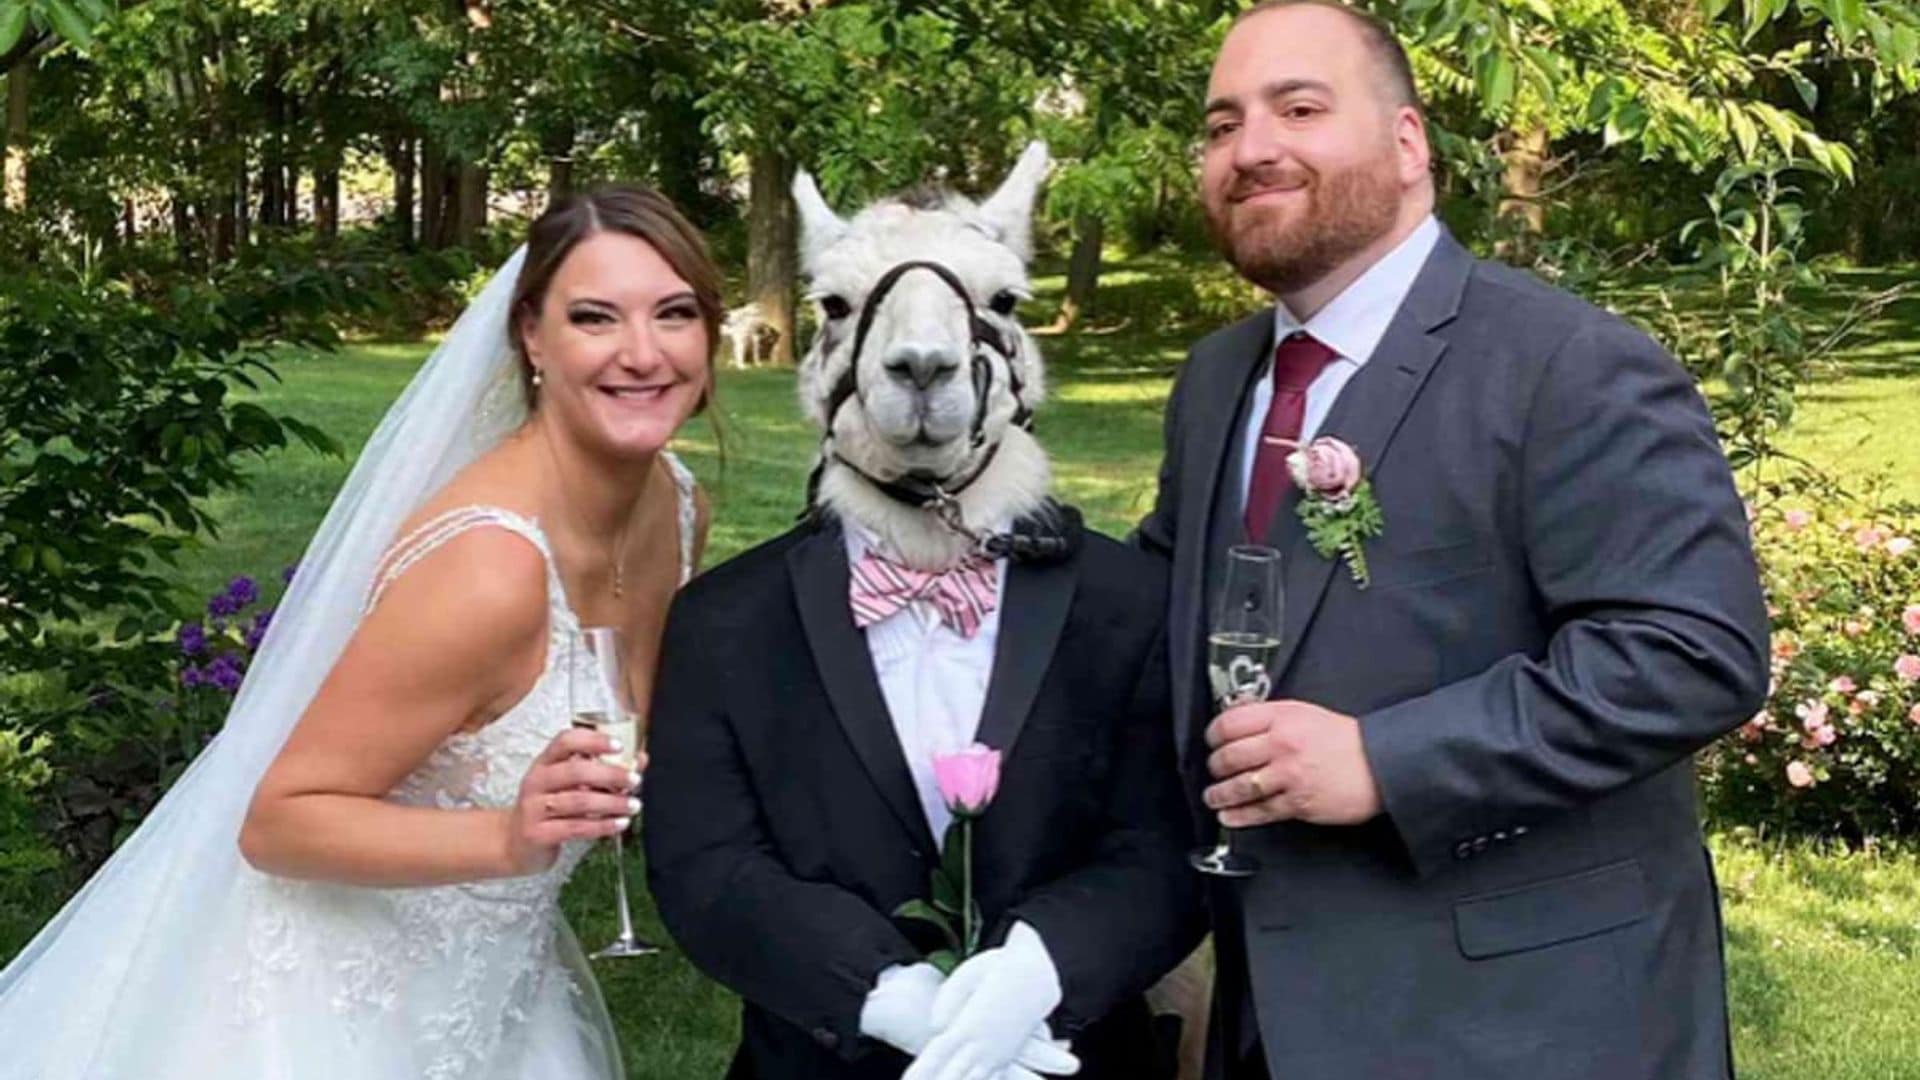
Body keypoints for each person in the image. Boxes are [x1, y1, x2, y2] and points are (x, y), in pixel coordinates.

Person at [1132, 3, 1770, 1078]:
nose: (1252, 149)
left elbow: (1692, 654)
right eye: (1221, 124)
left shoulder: (1569, 365)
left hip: (1524, 1023)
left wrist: (1386, 760)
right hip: (1270, 1010)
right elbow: (1159, 599)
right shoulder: (1216, 379)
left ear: (1410, 143)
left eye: (1300, 107)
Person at [0, 186, 717, 1080]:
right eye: (596, 317)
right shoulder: (489, 568)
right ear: (533, 337)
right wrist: (509, 837)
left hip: (492, 992)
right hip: (321, 1011)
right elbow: (279, 821)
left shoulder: (678, 507)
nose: (643, 353)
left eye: (675, 314)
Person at [645, 146, 1204, 1080]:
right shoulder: (725, 627)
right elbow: (706, 868)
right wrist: (879, 992)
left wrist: (1042, 968)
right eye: (841, 306)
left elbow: (1166, 847)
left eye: (997, 305)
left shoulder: (1130, 608)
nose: (922, 348)